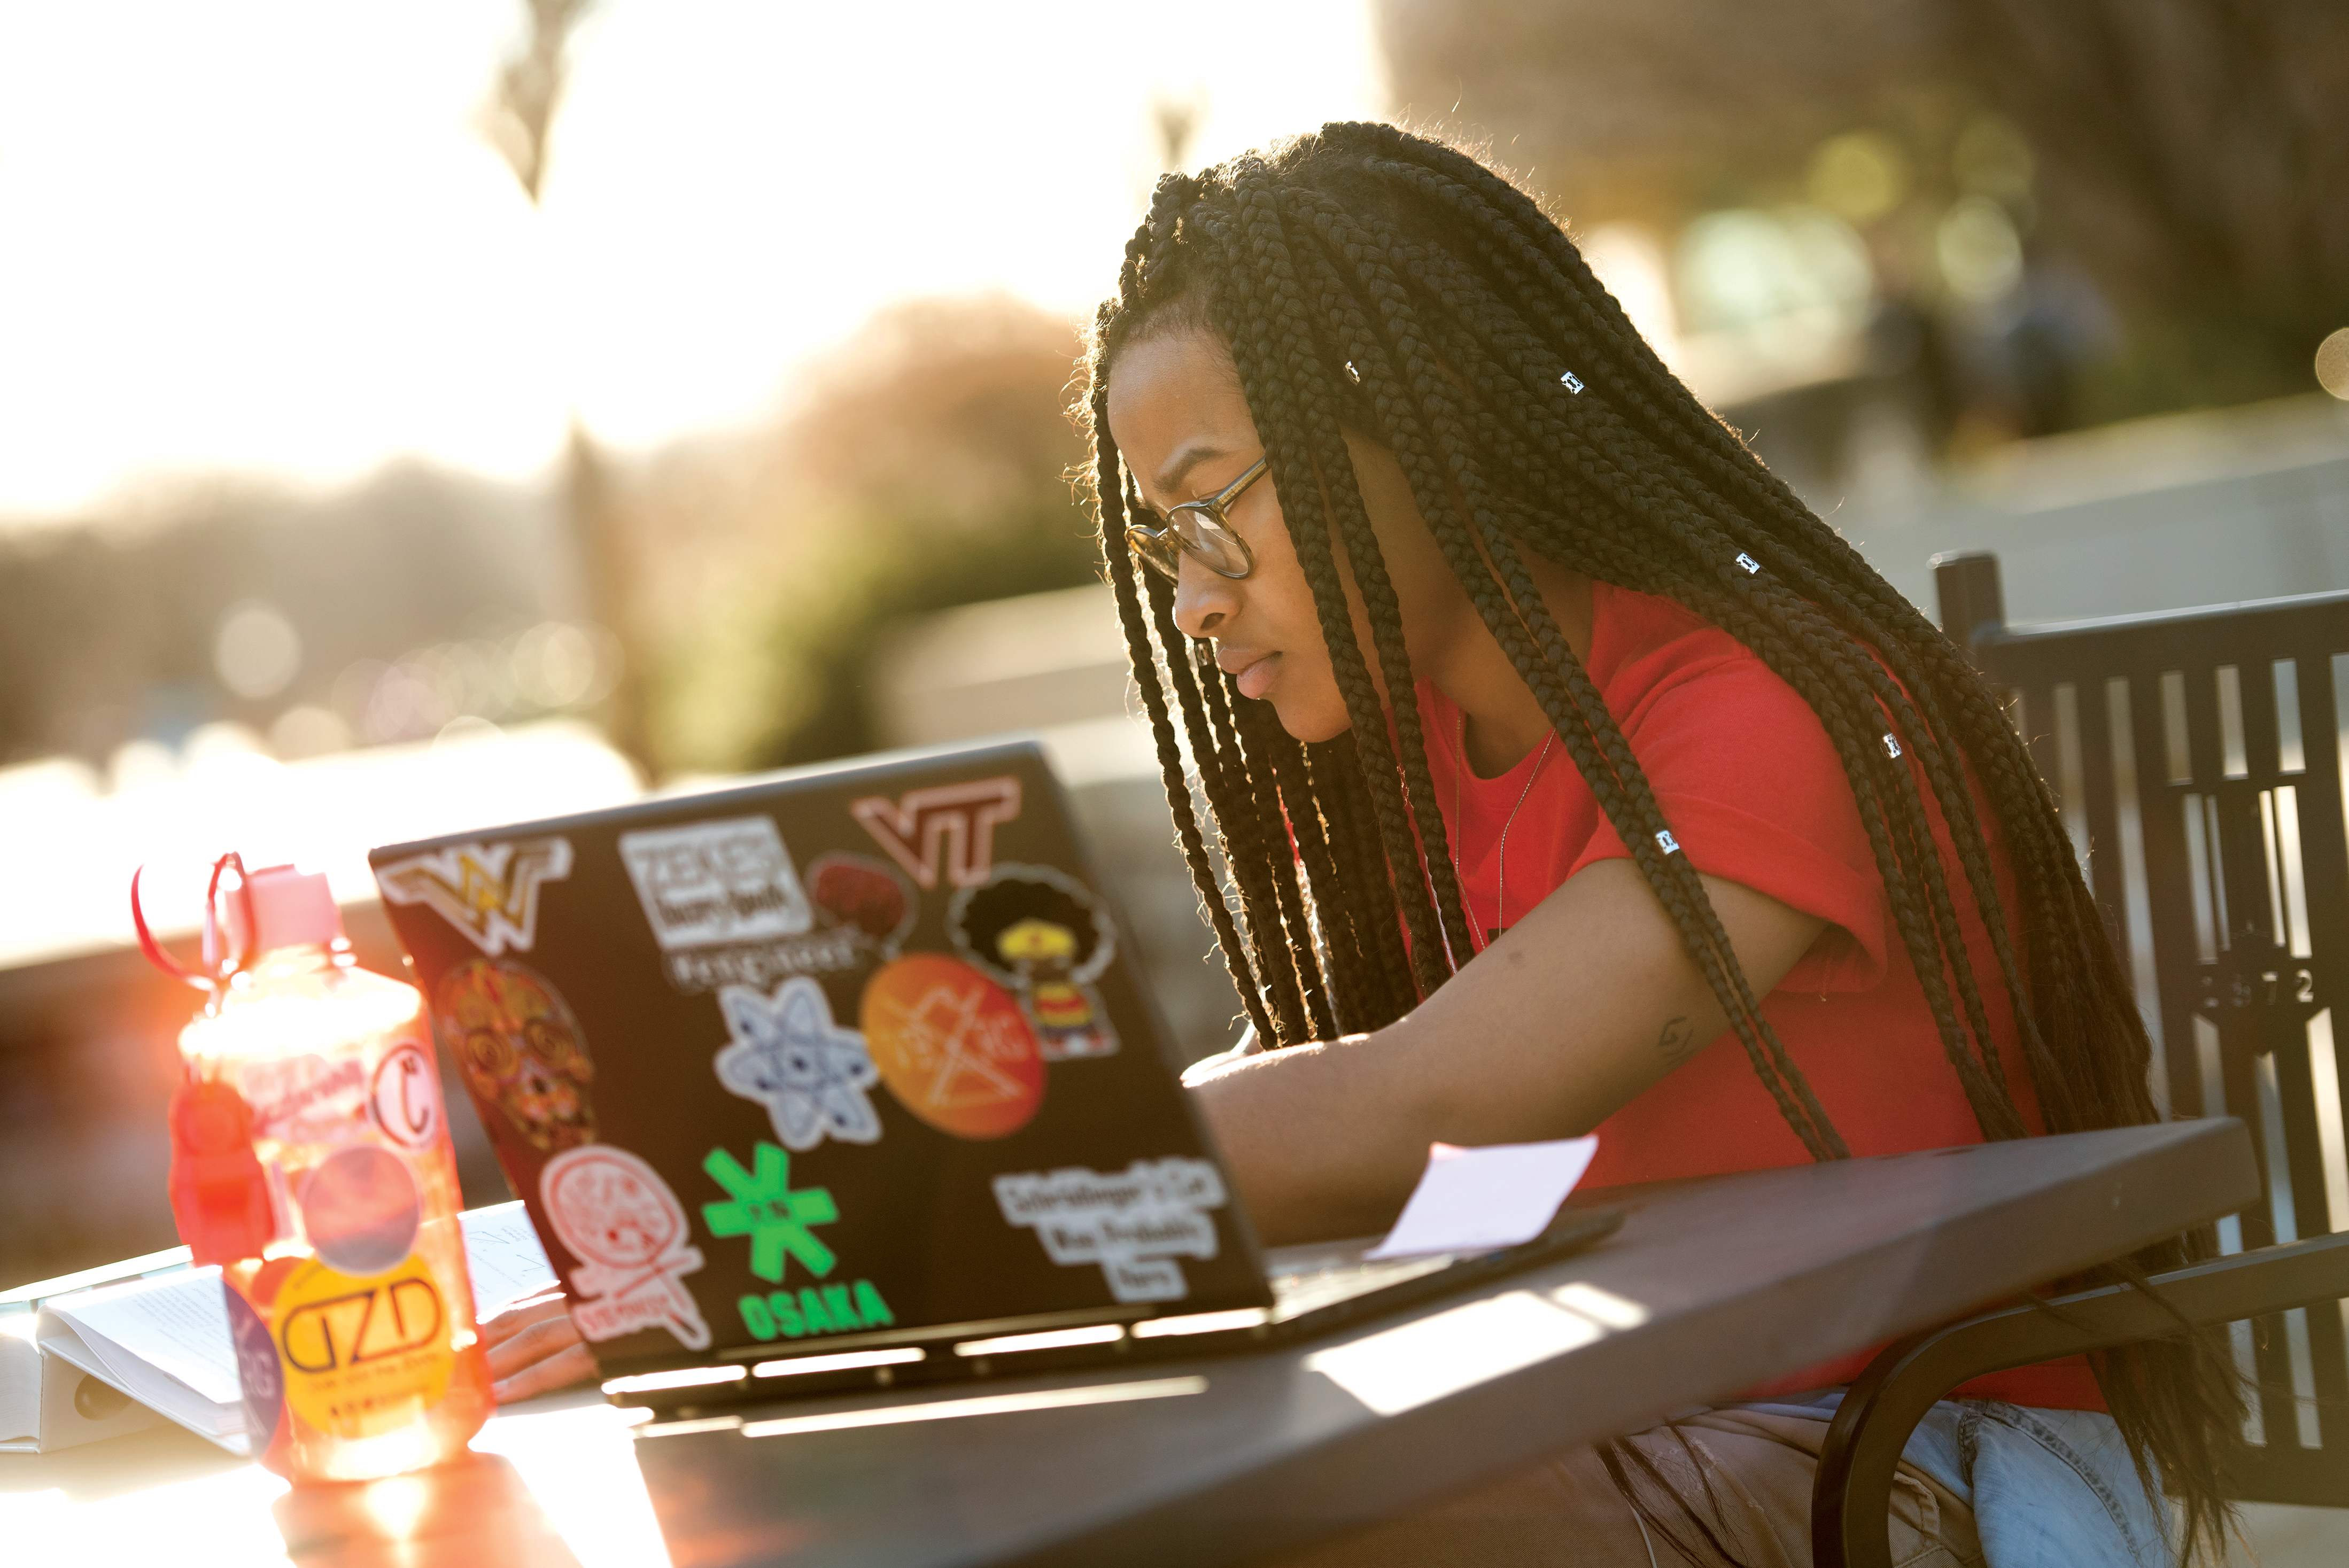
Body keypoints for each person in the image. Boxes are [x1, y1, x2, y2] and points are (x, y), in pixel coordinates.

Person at [486, 122, 2232, 1566]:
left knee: (1202, 1529)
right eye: (1150, 533)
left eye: (1209, 504)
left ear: (1414, 433)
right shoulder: (1415, 767)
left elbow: (1423, 1100)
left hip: (1911, 1466)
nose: (1186, 597)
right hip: (1608, 1417)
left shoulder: (1760, 706)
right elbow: (1313, 1085)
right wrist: (838, 1241)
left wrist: (853, 1222)